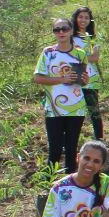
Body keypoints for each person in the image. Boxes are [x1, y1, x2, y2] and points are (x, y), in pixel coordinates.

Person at [34, 17, 89, 173]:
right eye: (57, 30)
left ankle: (70, 183)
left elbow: (84, 80)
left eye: (64, 28)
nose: (61, 32)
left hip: (76, 107)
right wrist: (61, 79)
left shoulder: (80, 54)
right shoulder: (48, 53)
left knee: (72, 148)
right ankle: (48, 184)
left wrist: (85, 80)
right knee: (55, 148)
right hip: (54, 108)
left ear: (71, 30)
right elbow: (38, 78)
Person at [71, 7, 104, 142]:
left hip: (91, 78)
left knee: (93, 110)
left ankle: (99, 138)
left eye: (86, 17)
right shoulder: (70, 37)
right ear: (75, 19)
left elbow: (95, 57)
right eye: (81, 17)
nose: (83, 20)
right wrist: (85, 56)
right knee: (74, 110)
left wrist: (78, 56)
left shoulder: (93, 38)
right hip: (74, 77)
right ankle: (72, 139)